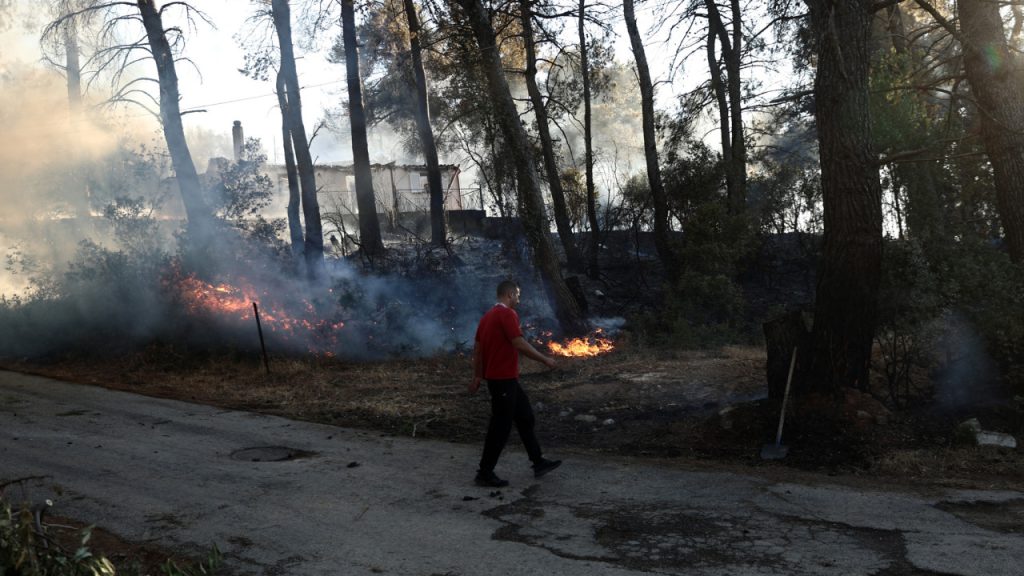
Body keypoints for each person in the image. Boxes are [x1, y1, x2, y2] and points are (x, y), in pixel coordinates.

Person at [469, 280, 562, 487]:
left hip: (504, 380)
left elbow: (477, 349)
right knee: (500, 426)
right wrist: (545, 359)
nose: (519, 299)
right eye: (518, 295)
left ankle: (538, 462)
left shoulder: (486, 317)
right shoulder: (507, 314)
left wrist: (477, 376)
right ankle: (484, 472)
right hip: (502, 380)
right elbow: (518, 342)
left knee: (525, 417)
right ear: (510, 294)